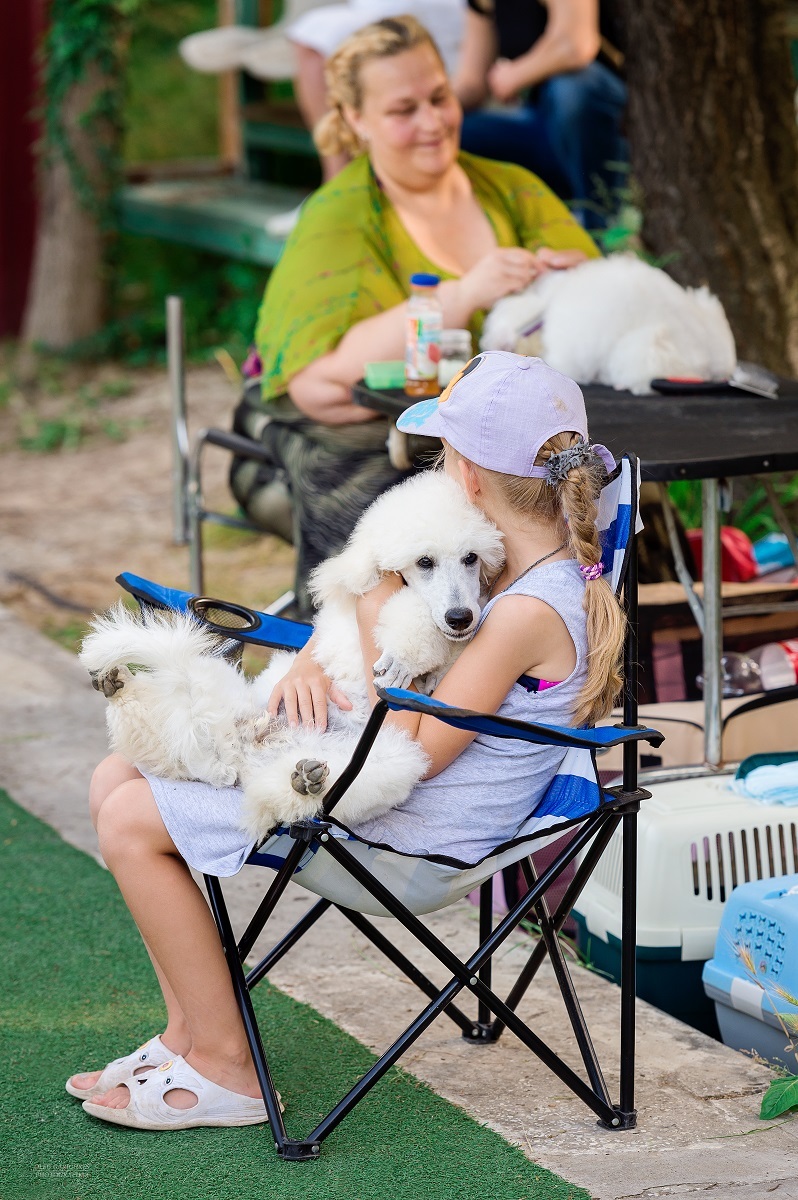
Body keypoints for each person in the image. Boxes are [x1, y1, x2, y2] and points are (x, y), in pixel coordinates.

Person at [68, 351, 625, 1130]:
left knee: (129, 819)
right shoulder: (496, 574)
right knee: (114, 777)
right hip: (377, 776)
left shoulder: (521, 613)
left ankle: (228, 1069)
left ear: (462, 474)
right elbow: (393, 666)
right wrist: (312, 661)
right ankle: (186, 1034)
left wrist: (369, 626)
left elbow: (416, 748)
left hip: (421, 831)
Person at [229, 14, 599, 617]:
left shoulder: (513, 190)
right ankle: (357, 675)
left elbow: (598, 313)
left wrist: (570, 285)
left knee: (586, 477)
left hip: (463, 430)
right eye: (405, 110)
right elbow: (319, 385)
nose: (432, 123)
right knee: (404, 498)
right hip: (312, 435)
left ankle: (562, 666)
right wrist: (463, 292)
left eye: (440, 97)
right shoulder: (339, 219)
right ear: (355, 120)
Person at [454, 0, 627, 230]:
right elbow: (471, 85)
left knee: (572, 89)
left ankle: (604, 226)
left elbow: (577, 44)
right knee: (454, 136)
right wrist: (421, 109)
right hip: (540, 126)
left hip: (595, 127)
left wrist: (515, 75)